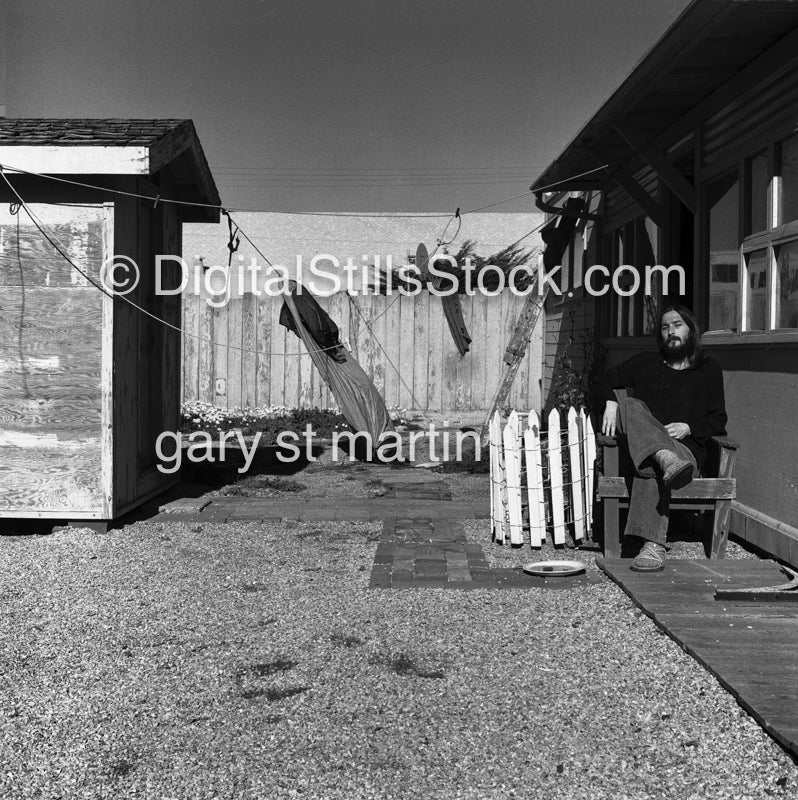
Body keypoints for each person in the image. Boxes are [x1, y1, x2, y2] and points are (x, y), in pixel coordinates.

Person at [594, 304, 727, 572]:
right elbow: (600, 380)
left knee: (650, 460)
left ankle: (650, 542)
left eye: (677, 325)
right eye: (665, 327)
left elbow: (718, 419)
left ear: (691, 330)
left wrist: (689, 427)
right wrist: (610, 401)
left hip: (684, 455)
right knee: (630, 405)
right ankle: (653, 544)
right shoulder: (646, 363)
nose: (671, 332)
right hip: (649, 453)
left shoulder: (709, 369)